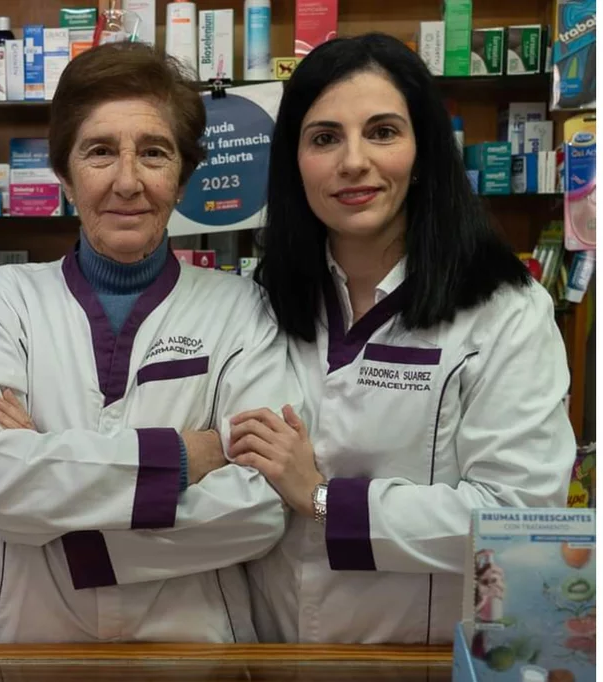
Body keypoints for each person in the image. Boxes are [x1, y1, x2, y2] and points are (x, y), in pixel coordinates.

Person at [0, 42, 298, 643]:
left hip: (189, 647)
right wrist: (189, 457)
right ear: (65, 177)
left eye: (153, 153)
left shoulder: (240, 308)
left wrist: (52, 476)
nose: (127, 182)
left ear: (182, 179)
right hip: (26, 639)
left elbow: (260, 508)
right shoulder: (4, 300)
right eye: (100, 152)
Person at [231, 33, 576, 644]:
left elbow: (514, 516)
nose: (353, 162)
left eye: (383, 132)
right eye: (324, 137)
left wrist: (322, 499)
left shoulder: (505, 312)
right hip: (275, 652)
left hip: (419, 658)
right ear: (295, 163)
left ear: (423, 154)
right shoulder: (261, 301)